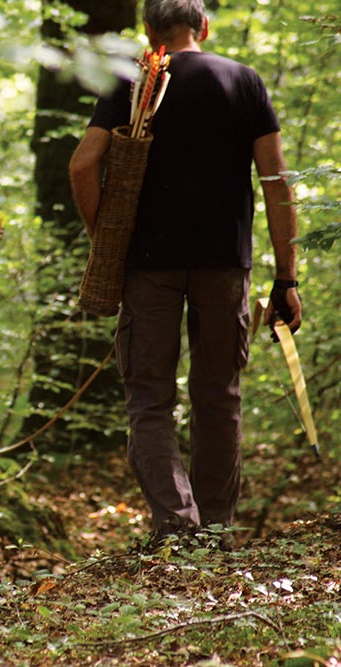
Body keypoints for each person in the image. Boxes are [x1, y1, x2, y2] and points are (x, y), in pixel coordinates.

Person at [68, 0, 303, 548]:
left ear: (148, 32)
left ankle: (177, 526)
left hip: (147, 267)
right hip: (225, 265)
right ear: (204, 27)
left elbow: (82, 165)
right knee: (218, 395)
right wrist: (286, 278)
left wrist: (105, 241)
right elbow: (276, 182)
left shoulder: (135, 80)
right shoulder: (243, 81)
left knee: (149, 399)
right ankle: (214, 532)